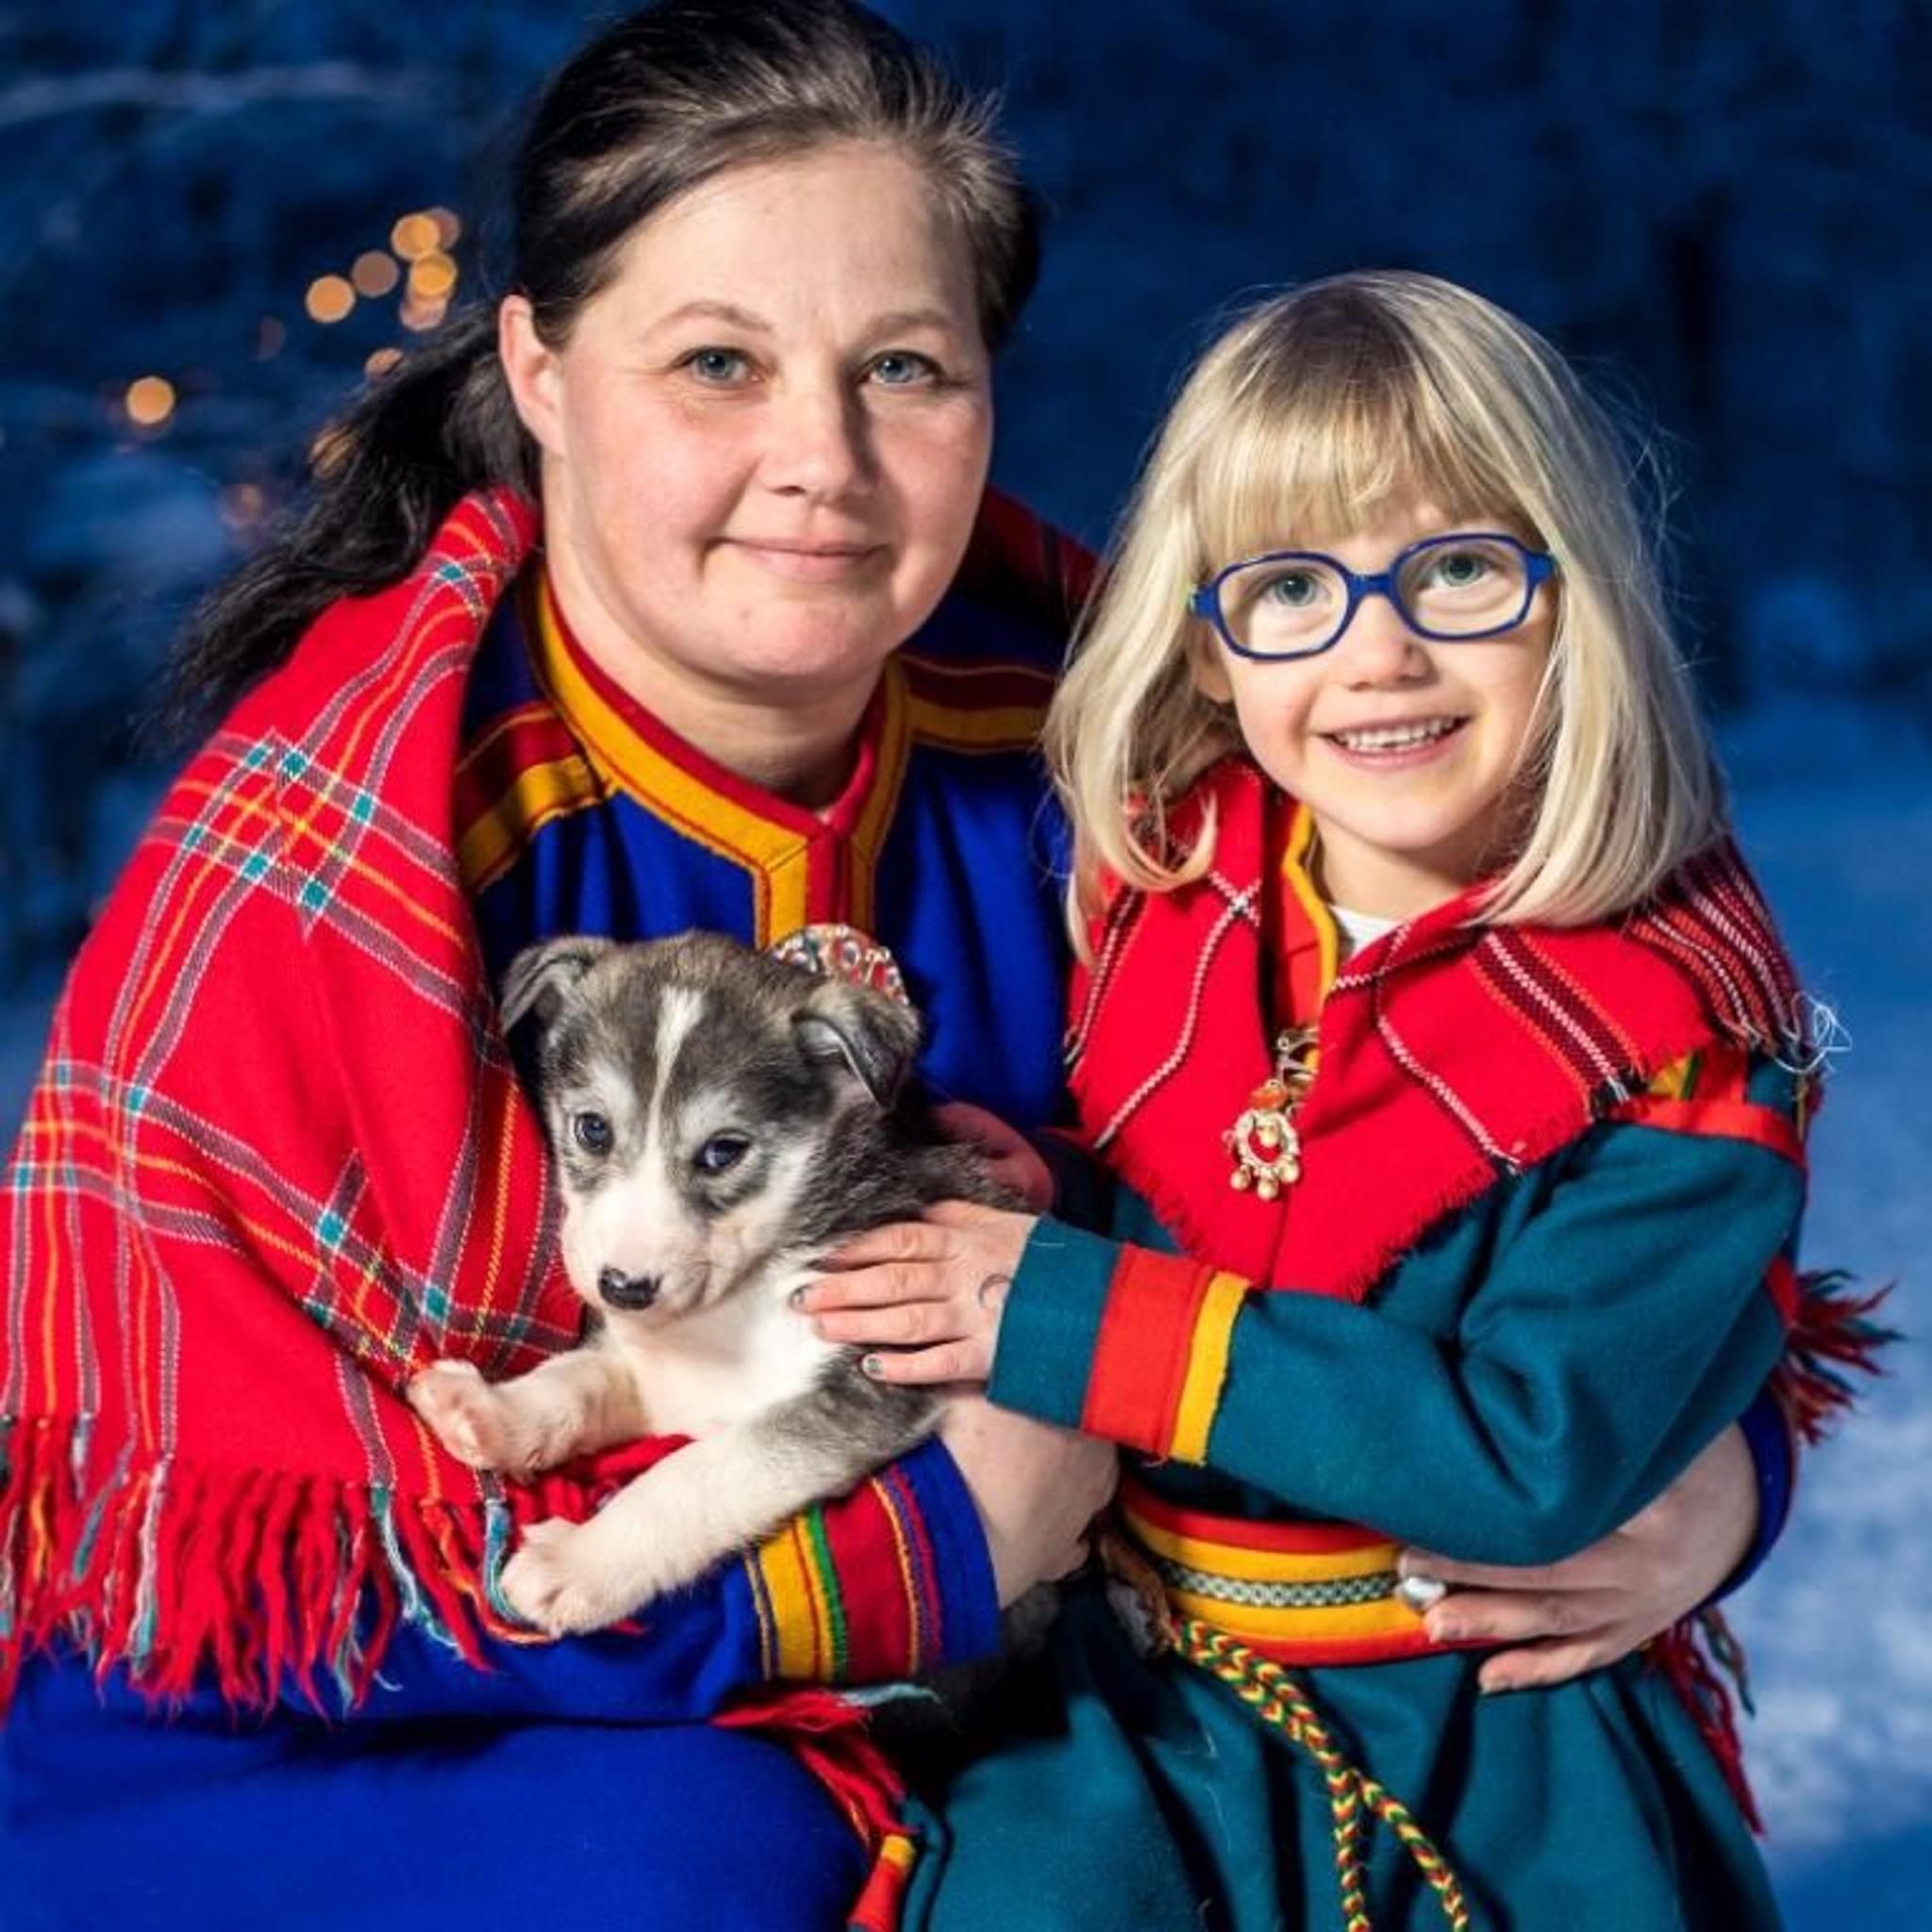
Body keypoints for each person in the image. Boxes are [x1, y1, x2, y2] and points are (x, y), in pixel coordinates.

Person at [0, 5, 1807, 1924]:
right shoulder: (341, 863)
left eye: (903, 368)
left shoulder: (1104, 747)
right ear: (540, 368)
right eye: (717, 361)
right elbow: (219, 1589)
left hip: (1021, 1645)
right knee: (720, 1863)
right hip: (361, 1725)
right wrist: (922, 1551)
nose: (825, 461)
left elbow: (1476, 1123)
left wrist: (1713, 1464)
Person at [800, 272, 1876, 1929]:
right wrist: (1045, 1195)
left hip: (1479, 1728)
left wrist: (1066, 1303)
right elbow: (1210, 1199)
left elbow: (1528, 1451)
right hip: (1145, 1685)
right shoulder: (1168, 883)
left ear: (1574, 596)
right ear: (1209, 642)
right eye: (1292, 587)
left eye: (1459, 571)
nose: (1380, 653)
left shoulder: (1679, 1032)